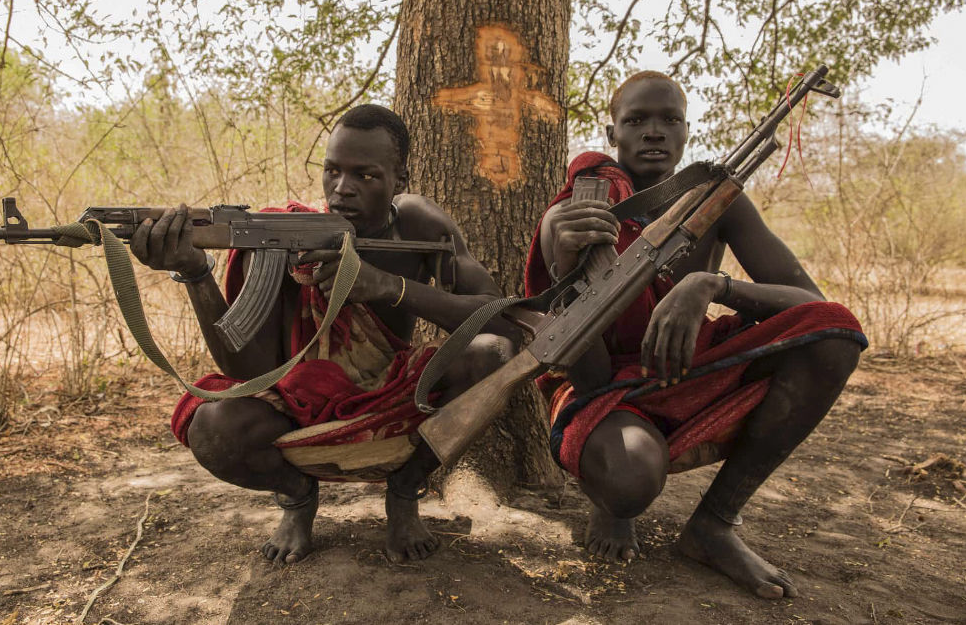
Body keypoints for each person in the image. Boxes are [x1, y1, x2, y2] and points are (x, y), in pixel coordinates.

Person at [528, 71, 867, 599]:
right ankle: (609, 495)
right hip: (596, 384)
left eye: (669, 120)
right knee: (628, 483)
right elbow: (580, 361)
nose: (655, 132)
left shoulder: (718, 202)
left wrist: (710, 284)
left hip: (679, 363)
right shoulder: (578, 210)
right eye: (637, 120)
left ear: (687, 133)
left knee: (834, 336)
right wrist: (567, 261)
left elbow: (817, 308)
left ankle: (713, 524)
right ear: (612, 132)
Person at [131, 104, 512, 565]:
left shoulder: (419, 224)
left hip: (393, 395)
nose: (342, 189)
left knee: (492, 354)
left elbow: (498, 319)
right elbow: (247, 371)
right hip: (299, 402)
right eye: (331, 171)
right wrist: (196, 274)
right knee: (213, 429)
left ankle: (406, 491)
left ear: (401, 179)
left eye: (365, 176)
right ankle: (296, 498)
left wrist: (389, 287)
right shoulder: (285, 236)